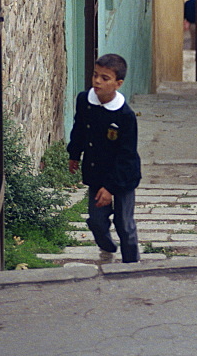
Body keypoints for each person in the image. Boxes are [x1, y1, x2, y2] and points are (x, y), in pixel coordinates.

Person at [67, 53, 141, 263]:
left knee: (124, 224)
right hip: (97, 171)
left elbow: (126, 155)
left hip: (123, 175)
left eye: (105, 78)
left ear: (118, 83)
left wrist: (110, 188)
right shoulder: (84, 100)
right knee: (96, 221)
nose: (97, 81)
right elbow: (79, 128)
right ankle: (107, 247)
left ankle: (131, 264)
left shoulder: (125, 116)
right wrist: (74, 153)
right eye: (95, 75)